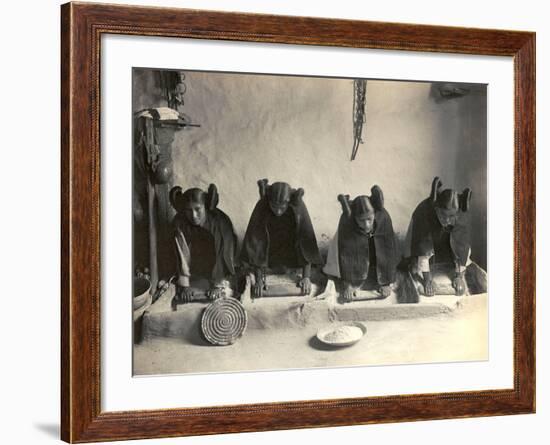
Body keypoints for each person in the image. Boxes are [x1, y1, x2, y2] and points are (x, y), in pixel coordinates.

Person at [241, 179, 322, 298]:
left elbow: (305, 245)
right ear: (269, 201)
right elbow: (257, 243)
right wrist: (259, 279)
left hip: (291, 253)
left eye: (282, 206)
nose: (278, 211)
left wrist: (306, 277)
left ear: (289, 202)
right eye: (274, 206)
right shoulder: (262, 206)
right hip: (270, 253)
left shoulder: (297, 207)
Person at [323, 186, 397, 302]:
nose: (367, 225)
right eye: (361, 220)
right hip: (356, 262)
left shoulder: (384, 218)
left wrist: (386, 282)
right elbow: (345, 255)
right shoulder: (347, 223)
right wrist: (348, 284)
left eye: (369, 219)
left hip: (374, 263)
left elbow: (388, 251)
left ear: (375, 215)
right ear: (354, 219)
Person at [404, 176, 472, 296]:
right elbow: (423, 248)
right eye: (443, 215)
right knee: (414, 265)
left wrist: (459, 276)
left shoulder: (461, 217)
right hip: (426, 235)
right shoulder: (424, 213)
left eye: (451, 216)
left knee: (455, 249)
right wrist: (427, 280)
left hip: (444, 238)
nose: (447, 220)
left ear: (457, 213)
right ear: (436, 209)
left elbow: (462, 246)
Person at [169, 184, 237, 303]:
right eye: (189, 210)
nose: (194, 215)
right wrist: (185, 285)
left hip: (218, 266)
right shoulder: (180, 222)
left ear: (205, 206)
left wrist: (217, 285)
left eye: (198, 209)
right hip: (196, 267)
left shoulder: (220, 223)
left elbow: (224, 252)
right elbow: (181, 252)